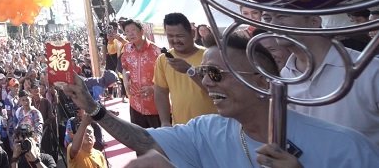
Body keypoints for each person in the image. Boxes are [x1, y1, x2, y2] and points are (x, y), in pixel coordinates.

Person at [59, 34, 379, 167]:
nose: (206, 83)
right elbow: (144, 141)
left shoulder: (345, 148)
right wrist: (94, 108)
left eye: (216, 74)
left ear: (264, 82)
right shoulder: (206, 132)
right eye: (203, 72)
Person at [262, 8, 379, 145]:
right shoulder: (281, 79)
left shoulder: (371, 70)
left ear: (314, 21)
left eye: (282, 16)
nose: (274, 24)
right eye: (268, 19)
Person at [153, 13, 216, 127]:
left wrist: (189, 70)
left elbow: (217, 92)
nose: (175, 40)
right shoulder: (163, 60)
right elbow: (161, 92)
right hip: (182, 129)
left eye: (180, 35)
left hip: (213, 126)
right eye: (170, 36)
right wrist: (165, 121)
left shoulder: (209, 55)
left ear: (192, 33)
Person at [119, 19, 160, 128]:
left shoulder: (156, 51)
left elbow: (167, 77)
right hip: (135, 104)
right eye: (127, 31)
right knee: (139, 140)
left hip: (155, 105)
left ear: (142, 31)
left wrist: (153, 88)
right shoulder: (127, 49)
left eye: (133, 30)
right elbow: (124, 67)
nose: (130, 34)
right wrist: (126, 81)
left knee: (158, 140)